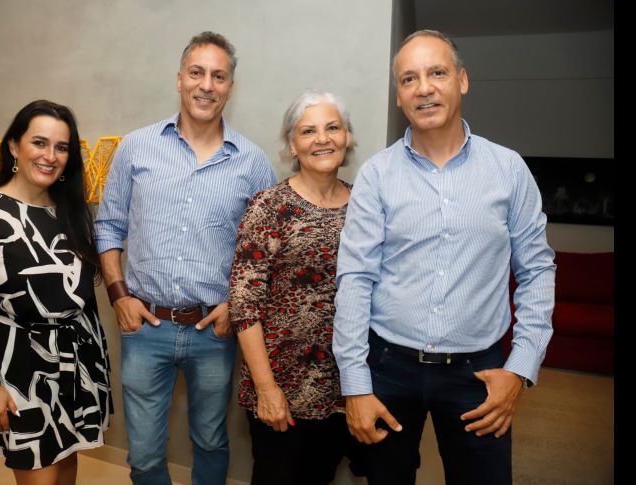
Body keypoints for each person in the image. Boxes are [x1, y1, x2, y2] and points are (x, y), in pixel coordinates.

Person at [332, 30, 556, 484]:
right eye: (409, 79)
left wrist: (520, 368)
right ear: (399, 95)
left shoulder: (508, 169)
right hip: (388, 368)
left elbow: (536, 271)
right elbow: (354, 279)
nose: (424, 88)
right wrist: (355, 384)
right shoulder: (377, 175)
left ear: (462, 81)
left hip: (480, 372)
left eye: (437, 72)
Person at [94, 31, 276, 484]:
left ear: (230, 87)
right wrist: (119, 296)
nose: (206, 85)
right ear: (179, 79)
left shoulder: (253, 163)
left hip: (214, 332)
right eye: (197, 73)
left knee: (212, 441)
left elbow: (265, 254)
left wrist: (235, 308)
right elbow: (109, 227)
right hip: (145, 326)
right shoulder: (136, 147)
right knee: (145, 454)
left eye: (219, 76)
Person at [0, 100, 113, 484]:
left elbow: (81, 298)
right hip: (18, 368)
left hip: (77, 364)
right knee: (39, 475)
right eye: (39, 142)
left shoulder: (70, 211)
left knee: (68, 464)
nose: (50, 156)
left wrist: (96, 366)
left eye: (61, 147)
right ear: (14, 146)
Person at [230, 89, 381, 484]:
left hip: (345, 387)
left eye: (333, 128)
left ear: (347, 137)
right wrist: (266, 389)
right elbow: (245, 306)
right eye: (308, 131)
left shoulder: (365, 203)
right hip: (283, 388)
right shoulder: (269, 207)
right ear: (293, 145)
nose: (322, 139)